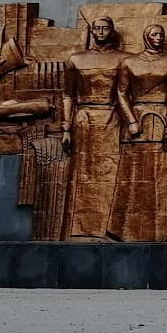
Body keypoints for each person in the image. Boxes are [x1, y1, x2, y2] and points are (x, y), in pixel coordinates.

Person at [109, 24, 167, 242]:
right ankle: (124, 230)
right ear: (146, 37)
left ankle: (161, 232)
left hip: (164, 119)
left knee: (161, 175)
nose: (158, 38)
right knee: (132, 175)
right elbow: (121, 93)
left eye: (161, 34)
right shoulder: (129, 62)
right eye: (154, 34)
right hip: (137, 120)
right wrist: (131, 121)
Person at [61, 16, 128, 239]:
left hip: (112, 119)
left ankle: (109, 229)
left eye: (104, 28)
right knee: (84, 174)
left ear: (111, 31)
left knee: (112, 172)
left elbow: (128, 94)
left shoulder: (124, 59)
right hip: (84, 120)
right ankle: (81, 229)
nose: (100, 32)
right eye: (96, 28)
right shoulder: (76, 59)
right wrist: (66, 128)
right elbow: (68, 95)